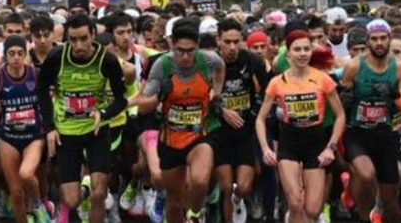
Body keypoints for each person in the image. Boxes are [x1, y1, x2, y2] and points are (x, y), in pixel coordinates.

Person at [35, 11, 130, 223]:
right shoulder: (56, 57)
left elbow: (121, 100)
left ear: (93, 35)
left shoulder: (107, 60)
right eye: (73, 40)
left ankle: (92, 189)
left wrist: (103, 113)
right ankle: (83, 188)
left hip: (96, 130)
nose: (78, 46)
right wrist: (49, 127)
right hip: (66, 133)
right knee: (72, 200)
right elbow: (41, 91)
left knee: (99, 194)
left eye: (84, 39)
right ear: (66, 39)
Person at [128, 20, 224, 223]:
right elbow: (143, 106)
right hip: (170, 140)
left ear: (197, 46)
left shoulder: (208, 60)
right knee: (173, 202)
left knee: (199, 181)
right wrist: (159, 97)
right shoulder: (161, 66)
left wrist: (216, 93)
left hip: (199, 135)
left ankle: (195, 214)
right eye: (181, 51)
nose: (186, 57)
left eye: (191, 51)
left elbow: (220, 68)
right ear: (172, 45)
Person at [255, 30, 347, 223]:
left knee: (313, 209)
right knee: (296, 202)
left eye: (306, 49)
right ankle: (293, 213)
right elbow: (260, 119)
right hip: (289, 142)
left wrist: (331, 147)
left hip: (316, 142)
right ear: (288, 54)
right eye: (297, 49)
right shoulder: (277, 82)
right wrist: (265, 148)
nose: (303, 53)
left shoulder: (323, 79)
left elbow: (340, 116)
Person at [337, 20, 401, 223]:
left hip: (386, 133)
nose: (379, 43)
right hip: (358, 133)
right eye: (374, 39)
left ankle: (374, 212)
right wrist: (346, 96)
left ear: (389, 39)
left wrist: (393, 92)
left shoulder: (399, 68)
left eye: (383, 38)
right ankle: (364, 217)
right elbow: (340, 104)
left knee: (390, 199)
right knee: (366, 174)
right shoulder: (354, 66)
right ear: (368, 41)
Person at [209, 19, 268, 223]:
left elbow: (270, 90)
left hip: (245, 130)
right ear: (219, 41)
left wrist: (255, 111)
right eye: (227, 42)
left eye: (236, 41)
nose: (232, 47)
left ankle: (239, 199)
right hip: (219, 132)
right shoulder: (210, 63)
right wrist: (221, 110)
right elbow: (200, 97)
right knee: (226, 186)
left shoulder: (251, 60)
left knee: (242, 187)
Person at [0, 36, 47, 223]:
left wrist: (49, 128)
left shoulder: (35, 74)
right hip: (8, 137)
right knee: (16, 192)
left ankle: (37, 204)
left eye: (20, 53)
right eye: (12, 54)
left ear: (26, 55)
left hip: (34, 135)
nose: (16, 58)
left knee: (26, 174)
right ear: (5, 56)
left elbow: (48, 102)